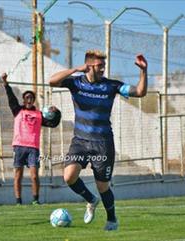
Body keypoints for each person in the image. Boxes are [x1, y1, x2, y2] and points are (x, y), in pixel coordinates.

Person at [48, 49, 148, 231]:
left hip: (103, 144)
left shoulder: (111, 86)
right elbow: (52, 81)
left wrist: (143, 71)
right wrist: (75, 69)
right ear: (89, 66)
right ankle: (90, 200)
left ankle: (112, 220)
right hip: (80, 141)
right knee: (69, 176)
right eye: (100, 65)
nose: (103, 69)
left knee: (103, 186)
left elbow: (140, 92)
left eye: (104, 65)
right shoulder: (76, 83)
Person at [2, 73, 61, 205]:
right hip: (18, 146)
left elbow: (53, 123)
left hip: (33, 148)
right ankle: (18, 201)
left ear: (33, 100)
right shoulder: (17, 111)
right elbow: (11, 98)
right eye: (27, 97)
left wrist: (57, 113)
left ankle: (35, 200)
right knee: (18, 175)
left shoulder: (39, 115)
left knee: (34, 176)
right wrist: (6, 83)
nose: (29, 100)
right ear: (23, 100)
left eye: (31, 98)